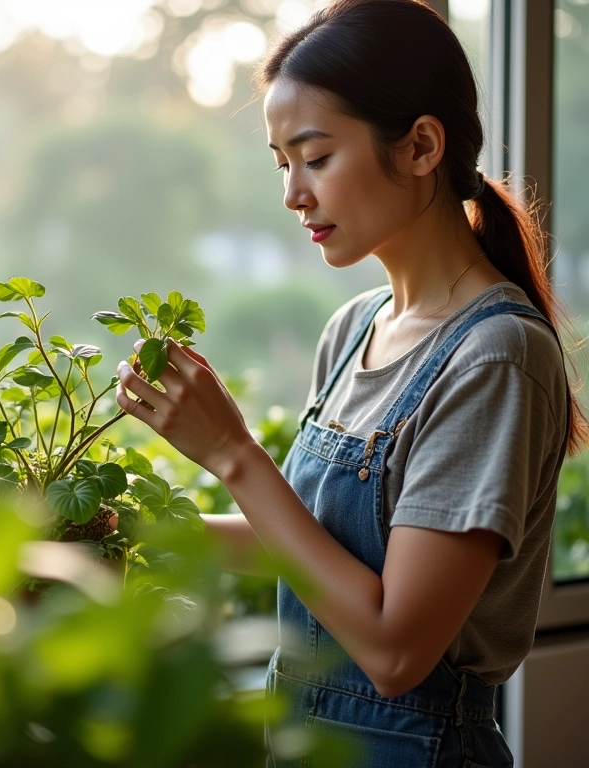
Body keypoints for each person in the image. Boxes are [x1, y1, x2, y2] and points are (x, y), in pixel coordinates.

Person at [115, 0, 586, 765]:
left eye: (316, 156)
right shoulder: (354, 328)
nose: (293, 194)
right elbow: (310, 551)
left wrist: (234, 453)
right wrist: (123, 533)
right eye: (282, 162)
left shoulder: (495, 357)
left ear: (422, 146)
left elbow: (397, 651)